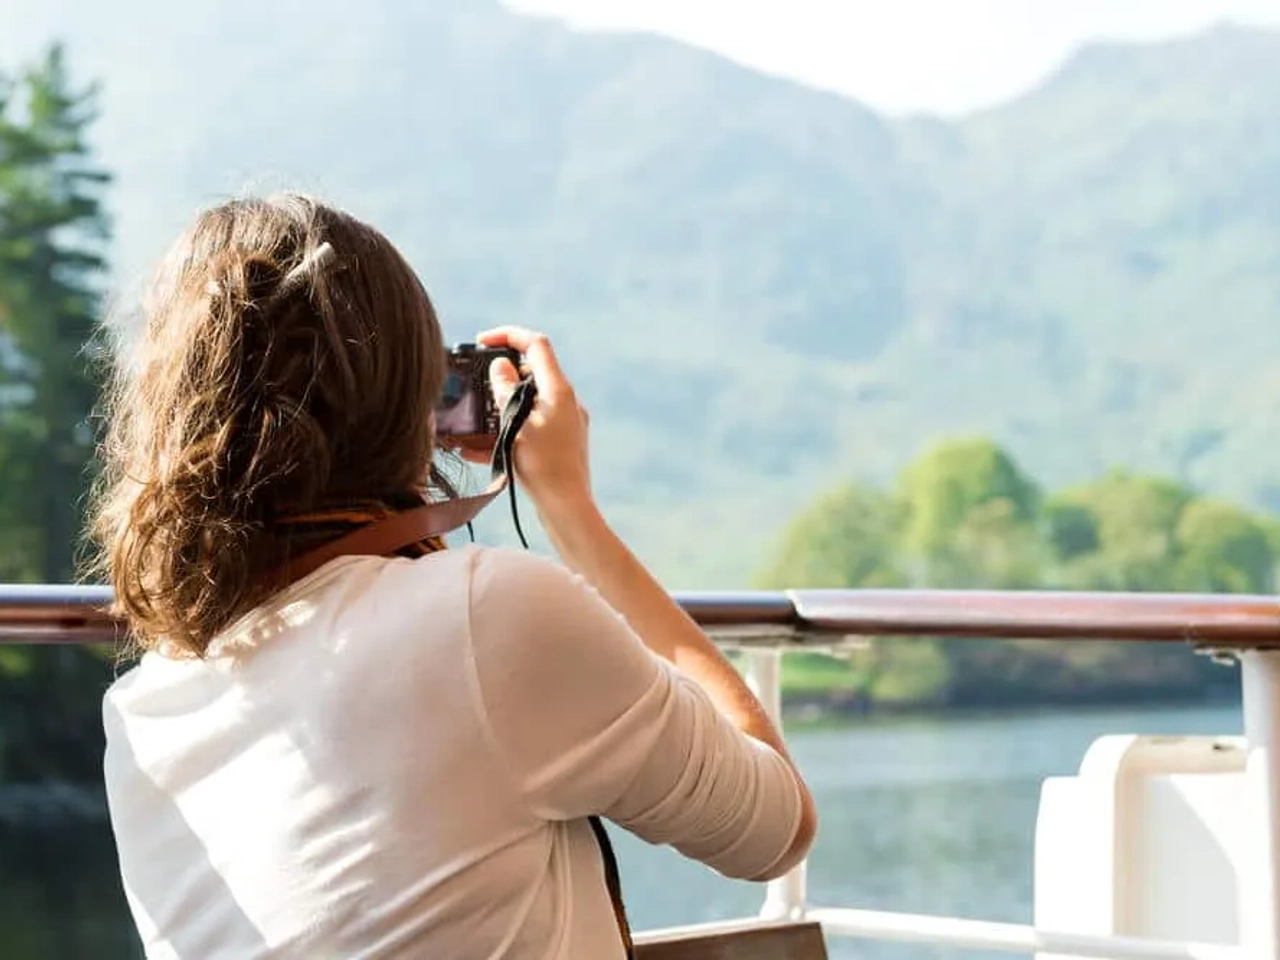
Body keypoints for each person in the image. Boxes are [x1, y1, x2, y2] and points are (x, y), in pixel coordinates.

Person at [93, 193, 817, 959]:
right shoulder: (484, 615)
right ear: (408, 405)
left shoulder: (139, 713)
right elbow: (773, 832)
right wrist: (571, 511)